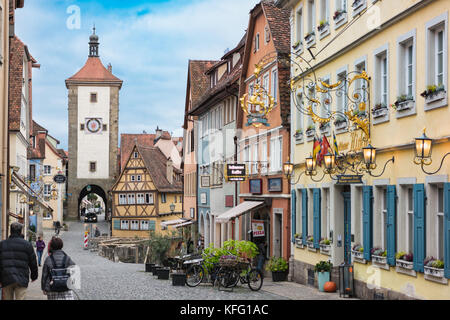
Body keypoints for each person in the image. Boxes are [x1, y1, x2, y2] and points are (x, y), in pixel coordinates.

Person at [0, 222, 38, 300]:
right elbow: (33, 262)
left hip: (6, 277)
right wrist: (34, 276)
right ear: (21, 231)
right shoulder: (27, 245)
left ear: (10, 231)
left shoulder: (2, 244)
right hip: (22, 278)